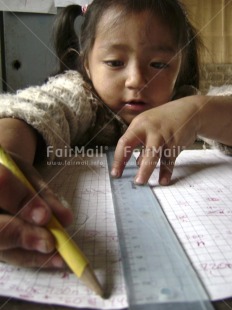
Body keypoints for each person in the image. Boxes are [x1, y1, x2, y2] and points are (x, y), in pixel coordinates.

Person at [0, 0, 231, 269]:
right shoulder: (79, 95)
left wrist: (198, 112)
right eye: (115, 62)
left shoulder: (181, 101)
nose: (136, 79)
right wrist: (9, 155)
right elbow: (30, 110)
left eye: (158, 64)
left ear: (179, 66)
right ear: (86, 64)